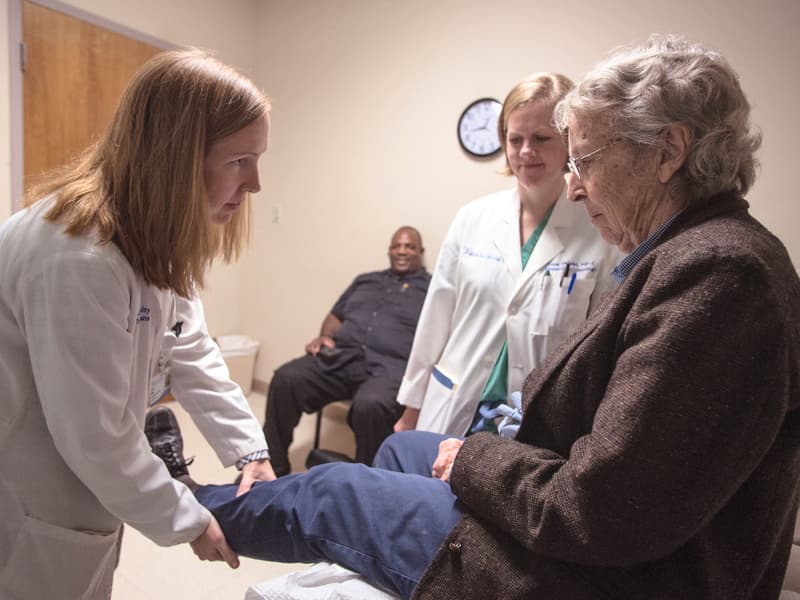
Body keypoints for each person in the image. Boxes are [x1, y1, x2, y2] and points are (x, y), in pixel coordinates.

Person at [148, 34, 800, 600]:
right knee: (402, 446)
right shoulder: (708, 255)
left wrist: (473, 461)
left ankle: (190, 502)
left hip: (585, 578)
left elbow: (600, 510)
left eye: (587, 160)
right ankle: (376, 531)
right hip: (584, 518)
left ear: (669, 152)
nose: (575, 185)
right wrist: (455, 436)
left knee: (332, 489)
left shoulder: (720, 276)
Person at [0, 49, 277, 599]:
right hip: (30, 490)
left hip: (84, 489)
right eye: (239, 161)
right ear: (177, 156)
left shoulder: (152, 234)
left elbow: (190, 350)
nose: (255, 185)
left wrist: (251, 451)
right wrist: (190, 520)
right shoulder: (77, 255)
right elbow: (96, 438)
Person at [394, 72, 623, 437]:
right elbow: (435, 321)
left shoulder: (598, 230)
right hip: (452, 405)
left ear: (568, 142)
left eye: (541, 138)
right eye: (515, 139)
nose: (526, 151)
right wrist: (410, 410)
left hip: (535, 422)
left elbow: (597, 349)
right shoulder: (473, 218)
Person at [263, 227, 430, 475]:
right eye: (396, 246)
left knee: (371, 405)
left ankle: (366, 480)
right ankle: (272, 467)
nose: (402, 251)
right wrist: (325, 336)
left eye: (409, 247)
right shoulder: (366, 280)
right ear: (389, 250)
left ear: (421, 252)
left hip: (389, 367)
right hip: (342, 357)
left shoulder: (431, 289)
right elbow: (336, 314)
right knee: (286, 379)